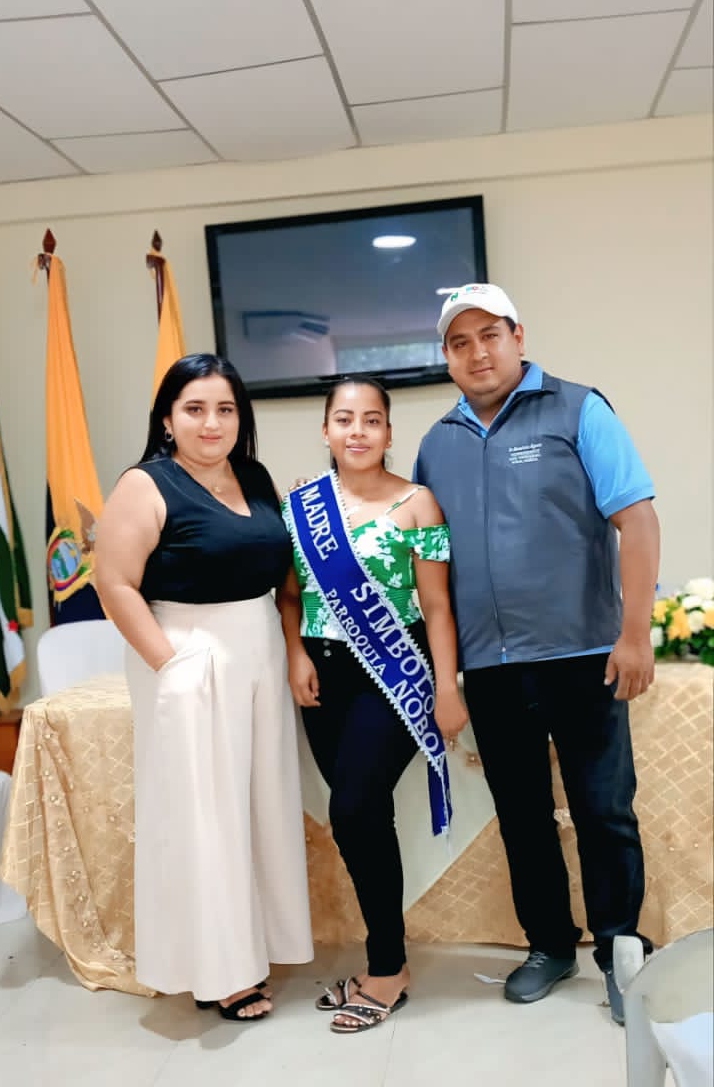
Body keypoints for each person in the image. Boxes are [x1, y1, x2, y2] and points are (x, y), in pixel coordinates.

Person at [414, 283, 659, 1025]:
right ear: (447, 357)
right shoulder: (437, 444)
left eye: (490, 335)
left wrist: (635, 633)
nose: (477, 353)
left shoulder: (579, 409)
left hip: (584, 655)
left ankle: (620, 953)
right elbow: (427, 564)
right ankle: (549, 945)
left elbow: (638, 520)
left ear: (518, 336)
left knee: (603, 811)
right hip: (491, 667)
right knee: (522, 815)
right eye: (460, 343)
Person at [95, 353, 313, 1020]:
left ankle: (256, 945)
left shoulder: (254, 476)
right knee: (204, 817)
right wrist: (172, 665)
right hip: (187, 652)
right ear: (167, 419)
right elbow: (114, 583)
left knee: (260, 805)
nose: (211, 423)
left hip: (259, 649)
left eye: (225, 409)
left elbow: (280, 574)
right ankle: (218, 973)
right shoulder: (146, 484)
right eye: (194, 409)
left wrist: (291, 649)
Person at [278, 378, 468, 1033]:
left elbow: (438, 606)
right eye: (344, 419)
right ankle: (383, 958)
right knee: (362, 818)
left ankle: (387, 967)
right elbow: (289, 596)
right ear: (325, 430)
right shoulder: (300, 506)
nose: (357, 431)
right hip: (321, 674)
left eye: (371, 420)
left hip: (393, 672)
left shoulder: (419, 504)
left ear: (389, 432)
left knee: (354, 808)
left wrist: (446, 687)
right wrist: (295, 654)